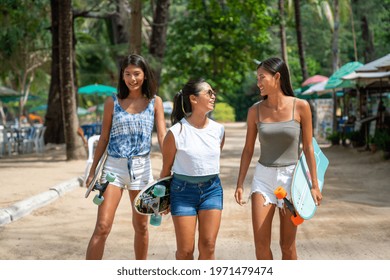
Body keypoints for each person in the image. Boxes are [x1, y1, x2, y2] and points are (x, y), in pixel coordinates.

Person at [234, 57, 322, 260]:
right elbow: (248, 150)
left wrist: (314, 186)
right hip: (263, 178)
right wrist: (240, 183)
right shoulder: (254, 111)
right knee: (261, 246)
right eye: (257, 78)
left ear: (277, 77)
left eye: (262, 77)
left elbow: (308, 148)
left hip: (292, 180)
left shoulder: (301, 107)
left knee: (287, 246)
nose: (258, 83)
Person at [84, 54, 166, 260]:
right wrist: (93, 171)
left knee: (141, 227)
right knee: (102, 226)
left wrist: (170, 167)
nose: (132, 79)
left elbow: (163, 136)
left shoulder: (155, 102)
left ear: (145, 75)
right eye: (127, 74)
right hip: (114, 168)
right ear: (122, 76)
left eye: (136, 74)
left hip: (142, 169)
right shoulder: (112, 102)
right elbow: (103, 138)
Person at [160, 78, 225, 260]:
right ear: (194, 99)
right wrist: (162, 199)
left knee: (208, 247)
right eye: (209, 93)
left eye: (213, 93)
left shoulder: (219, 130)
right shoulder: (176, 132)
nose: (214, 96)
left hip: (212, 191)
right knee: (186, 251)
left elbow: (209, 161)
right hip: (182, 193)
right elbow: (166, 169)